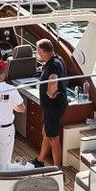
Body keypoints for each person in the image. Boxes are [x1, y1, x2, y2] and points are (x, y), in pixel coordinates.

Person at [34, 39, 68, 169]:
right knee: (46, 132)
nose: (37, 53)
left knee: (53, 138)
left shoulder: (52, 65)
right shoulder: (58, 59)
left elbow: (53, 83)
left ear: (42, 51)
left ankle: (57, 169)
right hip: (56, 106)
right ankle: (40, 160)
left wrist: (49, 94)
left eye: (37, 50)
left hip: (52, 107)